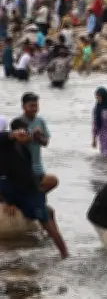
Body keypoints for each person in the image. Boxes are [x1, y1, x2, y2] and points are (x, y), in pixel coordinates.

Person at [0, 119, 68, 259]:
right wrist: (7, 201)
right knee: (46, 217)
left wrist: (34, 136)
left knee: (48, 214)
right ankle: (64, 253)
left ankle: (64, 254)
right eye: (23, 133)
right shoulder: (5, 146)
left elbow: (28, 175)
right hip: (16, 193)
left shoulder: (24, 150)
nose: (26, 137)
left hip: (27, 191)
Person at [16, 93, 57, 194]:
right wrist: (32, 136)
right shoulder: (18, 123)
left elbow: (46, 142)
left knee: (43, 193)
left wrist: (39, 138)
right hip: (23, 169)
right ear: (23, 106)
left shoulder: (40, 121)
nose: (34, 109)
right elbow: (16, 144)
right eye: (31, 106)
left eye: (36, 106)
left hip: (39, 168)